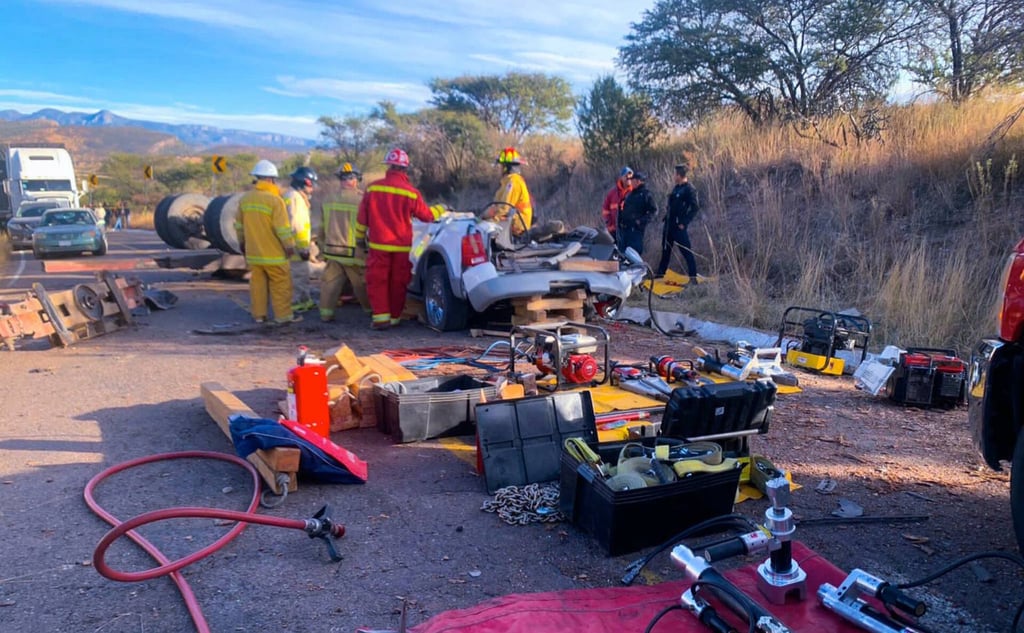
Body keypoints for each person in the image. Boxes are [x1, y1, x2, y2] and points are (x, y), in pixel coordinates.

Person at [355, 148, 443, 330]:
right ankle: (394, 318)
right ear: (405, 169)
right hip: (401, 246)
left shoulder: (373, 188)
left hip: (378, 245)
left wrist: (358, 239)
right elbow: (427, 216)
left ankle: (380, 319)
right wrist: (441, 209)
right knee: (398, 282)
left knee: (377, 280)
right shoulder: (411, 193)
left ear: (388, 166)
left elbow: (362, 218)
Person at [233, 159, 297, 325]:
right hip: (274, 255)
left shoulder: (246, 199)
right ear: (271, 180)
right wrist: (289, 246)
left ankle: (259, 316)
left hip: (254, 254)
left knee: (258, 286)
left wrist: (242, 244)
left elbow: (239, 225)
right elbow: (282, 229)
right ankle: (283, 318)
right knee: (281, 285)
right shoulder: (275, 201)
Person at [319, 163, 370, 322]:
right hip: (354, 252)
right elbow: (368, 227)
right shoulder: (362, 201)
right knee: (362, 285)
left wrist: (322, 248)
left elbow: (321, 228)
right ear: (356, 180)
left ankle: (326, 315)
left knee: (330, 284)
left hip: (332, 250)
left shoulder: (328, 199)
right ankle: (371, 311)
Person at [283, 166, 319, 313]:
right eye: (312, 185)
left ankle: (305, 300)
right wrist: (303, 249)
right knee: (298, 276)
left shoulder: (293, 196)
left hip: (295, 245)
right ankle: (296, 302)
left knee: (302, 275)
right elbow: (297, 225)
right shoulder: (295, 198)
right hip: (297, 247)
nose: (313, 189)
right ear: (305, 182)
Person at [656, 164, 701, 281]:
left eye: (675, 174)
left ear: (680, 175)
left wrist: (684, 222)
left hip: (679, 226)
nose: (673, 176)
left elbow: (695, 207)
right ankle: (660, 274)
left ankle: (693, 277)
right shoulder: (676, 188)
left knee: (686, 251)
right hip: (669, 225)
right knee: (665, 250)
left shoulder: (689, 189)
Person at [482, 147, 532, 235]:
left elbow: (504, 208)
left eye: (502, 166)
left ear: (506, 167)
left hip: (518, 224)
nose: (500, 169)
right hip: (512, 219)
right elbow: (497, 205)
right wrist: (485, 215)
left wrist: (489, 219)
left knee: (485, 228)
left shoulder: (514, 182)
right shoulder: (507, 182)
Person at [616, 171, 657, 256]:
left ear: (638, 181)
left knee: (633, 255)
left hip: (635, 231)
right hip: (624, 230)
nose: (631, 182)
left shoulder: (646, 194)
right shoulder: (630, 194)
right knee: (621, 254)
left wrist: (641, 221)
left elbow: (654, 211)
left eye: (633, 180)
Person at [601, 166, 633, 239]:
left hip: (629, 231)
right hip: (614, 231)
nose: (629, 179)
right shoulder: (612, 193)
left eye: (630, 178)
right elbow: (605, 210)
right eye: (626, 177)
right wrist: (609, 224)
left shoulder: (634, 193)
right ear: (621, 177)